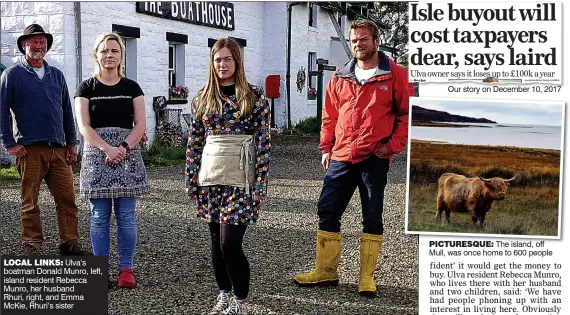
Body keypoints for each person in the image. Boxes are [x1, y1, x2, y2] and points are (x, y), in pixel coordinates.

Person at [293, 19, 410, 296]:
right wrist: (326, 148)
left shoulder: (396, 75)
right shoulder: (340, 76)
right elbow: (329, 116)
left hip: (374, 157)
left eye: (363, 39)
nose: (358, 44)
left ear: (376, 41)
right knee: (327, 210)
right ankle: (326, 272)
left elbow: (406, 116)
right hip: (341, 155)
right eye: (354, 40)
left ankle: (366, 278)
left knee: (372, 217)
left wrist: (391, 147)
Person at [185, 38, 271, 315]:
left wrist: (260, 183)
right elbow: (195, 141)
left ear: (237, 61)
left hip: (242, 178)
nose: (222, 64)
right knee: (215, 242)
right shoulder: (202, 98)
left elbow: (263, 142)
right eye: (217, 59)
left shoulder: (254, 97)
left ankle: (241, 301)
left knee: (229, 242)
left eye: (227, 59)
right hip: (210, 178)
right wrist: (190, 179)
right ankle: (223, 294)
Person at [0, 24, 92, 256]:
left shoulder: (56, 75)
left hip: (58, 150)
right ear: (24, 45)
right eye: (33, 42)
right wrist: (9, 142)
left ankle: (69, 242)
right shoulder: (12, 75)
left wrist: (72, 142)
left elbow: (66, 111)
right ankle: (32, 245)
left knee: (67, 200)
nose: (38, 46)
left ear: (47, 46)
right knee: (30, 202)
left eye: (42, 42)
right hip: (29, 150)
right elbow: (2, 110)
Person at [74, 32, 149, 288]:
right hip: (98, 158)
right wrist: (107, 148)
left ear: (121, 55)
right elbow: (84, 126)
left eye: (114, 51)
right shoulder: (86, 88)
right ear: (96, 55)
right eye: (104, 51)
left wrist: (124, 147)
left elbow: (140, 124)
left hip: (127, 157)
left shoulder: (132, 88)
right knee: (98, 216)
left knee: (126, 216)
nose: (109, 55)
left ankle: (126, 270)